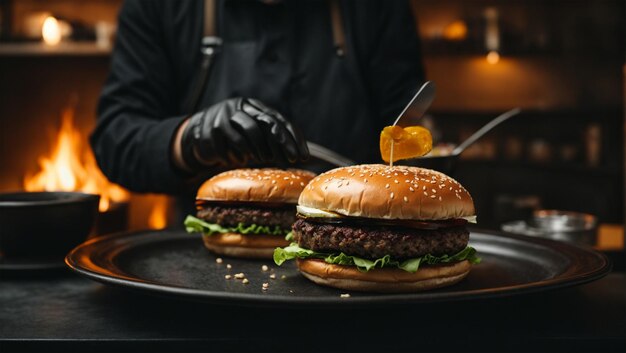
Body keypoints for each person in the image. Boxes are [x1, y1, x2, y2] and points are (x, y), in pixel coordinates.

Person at [90, 0, 425, 218]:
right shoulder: (158, 9)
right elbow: (115, 138)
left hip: (354, 242)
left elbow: (409, 132)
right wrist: (189, 138)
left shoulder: (378, 9)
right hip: (196, 263)